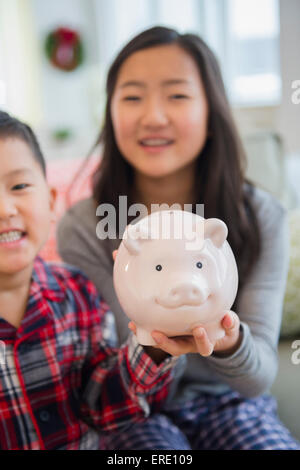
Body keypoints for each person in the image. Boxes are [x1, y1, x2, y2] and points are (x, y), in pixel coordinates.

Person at [57, 26, 300, 450]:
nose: (153, 116)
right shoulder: (83, 227)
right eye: (132, 97)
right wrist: (155, 349)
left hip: (230, 404)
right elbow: (96, 382)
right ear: (110, 112)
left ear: (211, 110)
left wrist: (228, 342)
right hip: (132, 413)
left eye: (177, 95)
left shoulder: (261, 216)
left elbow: (257, 377)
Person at [0, 110, 184, 450]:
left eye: (20, 186)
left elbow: (102, 407)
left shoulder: (78, 293)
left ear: (51, 201)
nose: (4, 208)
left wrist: (154, 347)